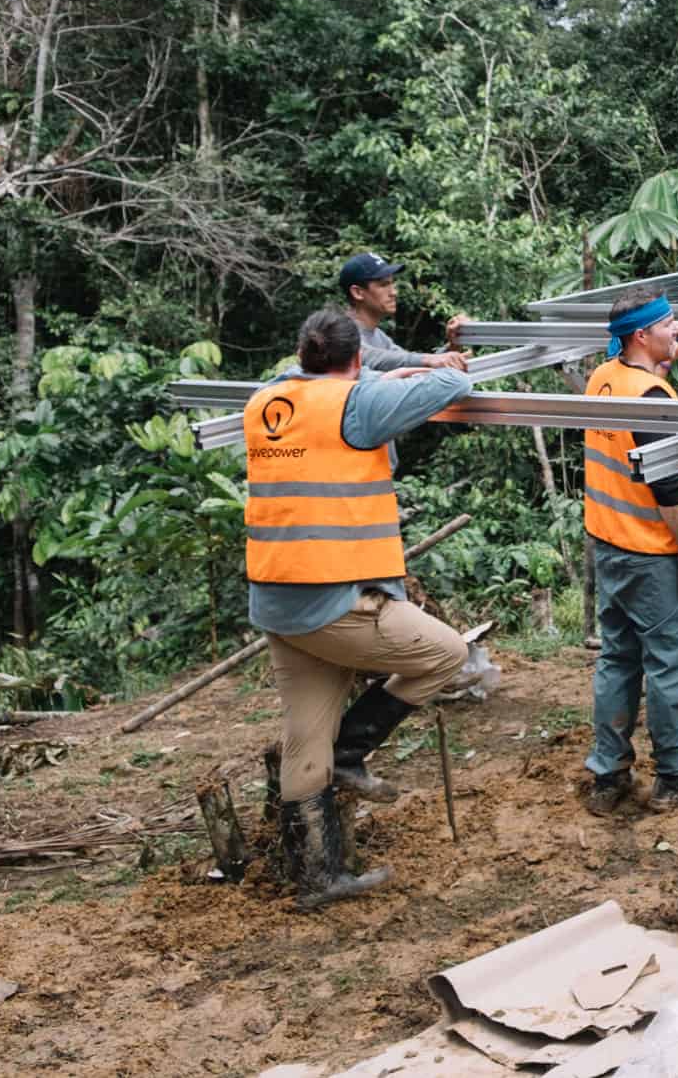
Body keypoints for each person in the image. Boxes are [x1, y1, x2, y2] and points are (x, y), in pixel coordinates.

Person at [243, 309, 473, 909]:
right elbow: (453, 385)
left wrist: (373, 376)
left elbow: (305, 383)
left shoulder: (266, 401)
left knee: (304, 738)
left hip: (278, 599)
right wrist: (393, 375)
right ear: (356, 361)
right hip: (335, 599)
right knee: (447, 654)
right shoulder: (357, 404)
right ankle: (353, 752)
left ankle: (317, 877)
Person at [581, 287, 678, 817]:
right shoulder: (652, 399)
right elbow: (668, 489)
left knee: (618, 660)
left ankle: (608, 774)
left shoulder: (605, 377)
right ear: (643, 335)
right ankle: (677, 777)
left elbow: (637, 418)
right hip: (651, 552)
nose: (677, 329)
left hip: (610, 547)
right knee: (668, 666)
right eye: (667, 325)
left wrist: (661, 369)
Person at [338, 251, 471, 373]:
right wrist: (429, 360)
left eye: (392, 284)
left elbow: (407, 365)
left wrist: (454, 345)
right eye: (384, 285)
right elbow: (368, 357)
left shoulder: (378, 335)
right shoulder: (339, 334)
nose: (394, 292)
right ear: (357, 292)